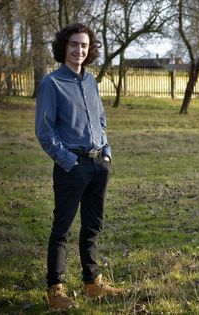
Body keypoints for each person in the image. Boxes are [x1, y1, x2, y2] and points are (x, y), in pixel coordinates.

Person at [35, 23, 124, 311]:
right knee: (61, 229)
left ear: (90, 49)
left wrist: (106, 153)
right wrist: (69, 161)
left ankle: (92, 283)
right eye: (74, 44)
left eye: (84, 45)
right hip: (71, 166)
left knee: (92, 226)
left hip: (99, 164)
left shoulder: (91, 82)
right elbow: (45, 132)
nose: (79, 50)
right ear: (64, 47)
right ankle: (55, 290)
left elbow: (100, 121)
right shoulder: (51, 83)